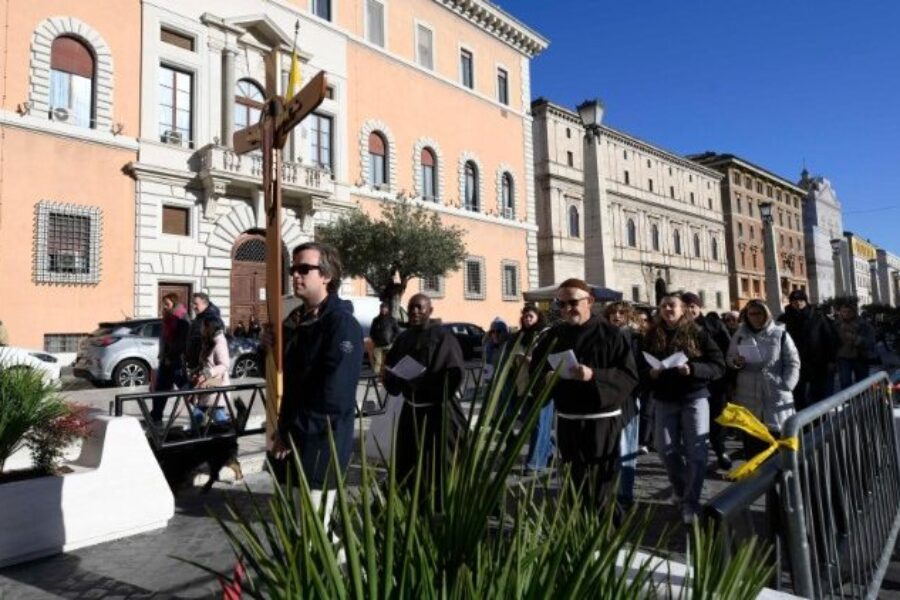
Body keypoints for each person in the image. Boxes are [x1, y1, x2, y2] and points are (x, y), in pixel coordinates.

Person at [532, 279, 638, 514]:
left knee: (601, 484)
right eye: (561, 304)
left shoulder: (611, 334)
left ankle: (604, 537)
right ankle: (578, 534)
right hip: (568, 420)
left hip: (601, 421)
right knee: (572, 483)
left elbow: (628, 376)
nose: (567, 309)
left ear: (589, 301)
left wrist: (594, 375)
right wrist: (546, 378)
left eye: (573, 302)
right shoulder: (553, 336)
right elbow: (536, 373)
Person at [275, 242, 364, 515]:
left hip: (320, 442)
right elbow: (285, 374)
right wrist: (269, 347)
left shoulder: (341, 324)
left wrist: (291, 432)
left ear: (326, 275)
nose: (295, 275)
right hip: (291, 442)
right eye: (293, 269)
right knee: (293, 525)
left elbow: (335, 394)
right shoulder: (295, 321)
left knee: (316, 531)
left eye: (304, 269)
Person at [640, 294, 725, 525]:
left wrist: (693, 369)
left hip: (694, 398)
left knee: (696, 454)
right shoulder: (650, 335)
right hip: (664, 399)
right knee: (665, 450)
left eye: (672, 305)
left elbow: (718, 366)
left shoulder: (698, 333)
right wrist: (650, 374)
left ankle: (691, 502)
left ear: (683, 309)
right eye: (664, 306)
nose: (668, 309)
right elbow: (640, 367)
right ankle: (680, 489)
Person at [383, 293, 465, 494]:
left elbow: (453, 374)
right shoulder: (403, 338)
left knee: (438, 465)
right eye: (411, 307)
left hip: (438, 413)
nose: (415, 311)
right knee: (407, 462)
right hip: (410, 412)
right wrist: (390, 377)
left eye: (420, 307)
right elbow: (391, 368)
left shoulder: (443, 337)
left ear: (430, 310)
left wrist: (422, 382)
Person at [726, 299, 800, 458]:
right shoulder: (740, 335)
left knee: (777, 438)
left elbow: (793, 361)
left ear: (766, 314)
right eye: (751, 314)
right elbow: (730, 357)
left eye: (758, 313)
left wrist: (787, 385)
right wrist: (736, 362)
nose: (755, 317)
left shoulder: (780, 334)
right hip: (748, 392)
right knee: (752, 440)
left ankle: (782, 477)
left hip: (775, 391)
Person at [681, 292, 733, 471]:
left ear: (699, 307)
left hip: (716, 380)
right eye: (686, 306)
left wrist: (729, 377)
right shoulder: (679, 328)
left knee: (717, 417)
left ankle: (720, 450)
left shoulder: (714, 325)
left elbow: (728, 350)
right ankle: (694, 456)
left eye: (692, 306)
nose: (689, 310)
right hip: (692, 382)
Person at [604, 301, 644, 510]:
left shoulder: (636, 339)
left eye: (621, 313)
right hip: (606, 398)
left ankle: (625, 494)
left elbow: (639, 369)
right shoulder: (603, 336)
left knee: (626, 446)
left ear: (629, 316)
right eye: (613, 313)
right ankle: (610, 491)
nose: (616, 316)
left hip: (627, 398)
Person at [777, 290, 839, 408]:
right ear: (790, 303)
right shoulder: (784, 318)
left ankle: (818, 422)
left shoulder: (818, 316)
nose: (798, 303)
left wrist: (832, 359)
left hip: (818, 362)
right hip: (794, 362)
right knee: (797, 395)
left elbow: (830, 338)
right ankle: (802, 423)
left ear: (805, 301)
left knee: (817, 395)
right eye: (794, 301)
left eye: (801, 300)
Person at [516, 304, 554, 473]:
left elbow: (549, 361)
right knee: (529, 422)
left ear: (538, 317)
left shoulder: (545, 335)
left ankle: (534, 463)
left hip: (541, 385)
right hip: (524, 385)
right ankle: (548, 450)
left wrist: (530, 360)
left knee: (539, 422)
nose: (527, 319)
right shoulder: (520, 336)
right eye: (525, 316)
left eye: (530, 316)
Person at [151, 293, 191, 424]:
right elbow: (165, 340)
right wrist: (164, 356)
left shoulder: (181, 317)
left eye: (167, 303)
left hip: (177, 359)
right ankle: (156, 416)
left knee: (184, 387)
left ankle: (201, 413)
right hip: (165, 359)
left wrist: (170, 356)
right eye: (163, 304)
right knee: (160, 388)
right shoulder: (168, 318)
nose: (164, 306)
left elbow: (181, 342)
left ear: (173, 303)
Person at [191, 317, 232, 429]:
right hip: (208, 384)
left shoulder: (219, 342)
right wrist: (196, 372)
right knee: (198, 415)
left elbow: (224, 365)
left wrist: (207, 374)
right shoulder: (208, 341)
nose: (201, 329)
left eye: (203, 326)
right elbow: (206, 363)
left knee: (216, 415)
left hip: (217, 384)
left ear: (210, 328)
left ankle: (228, 437)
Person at [835, 302, 876, 390]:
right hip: (843, 358)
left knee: (862, 385)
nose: (846, 314)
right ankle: (848, 403)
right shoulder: (837, 325)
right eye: (843, 312)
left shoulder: (864, 325)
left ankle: (862, 402)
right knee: (845, 384)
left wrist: (856, 338)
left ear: (854, 312)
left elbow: (870, 342)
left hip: (860, 357)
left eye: (849, 312)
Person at [185, 292, 223, 373]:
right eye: (192, 304)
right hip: (195, 365)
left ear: (205, 303)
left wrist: (203, 367)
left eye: (196, 304)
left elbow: (214, 344)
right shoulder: (200, 316)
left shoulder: (212, 319)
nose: (193, 306)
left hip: (204, 368)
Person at [369, 302, 400, 378]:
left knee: (388, 362)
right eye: (382, 308)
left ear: (387, 309)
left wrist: (392, 340)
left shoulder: (392, 320)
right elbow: (372, 332)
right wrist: (375, 340)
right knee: (377, 362)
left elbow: (397, 331)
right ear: (380, 309)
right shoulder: (376, 320)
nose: (383, 309)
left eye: (385, 308)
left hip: (389, 345)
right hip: (378, 345)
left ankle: (388, 377)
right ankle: (375, 378)